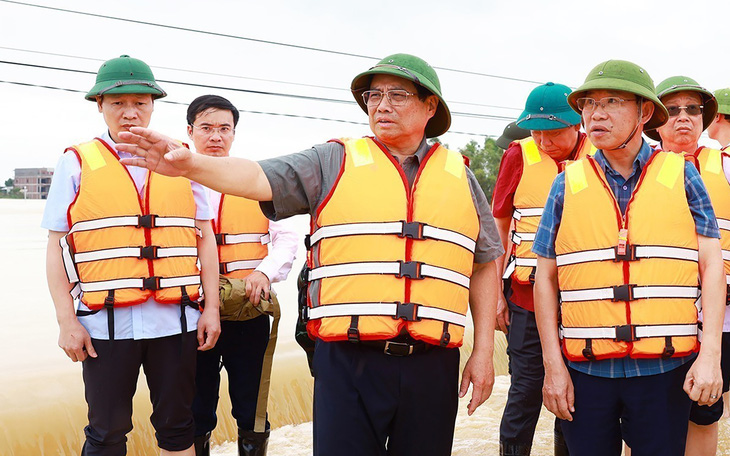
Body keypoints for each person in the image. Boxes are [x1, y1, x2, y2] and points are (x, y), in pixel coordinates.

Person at [115, 52, 504, 456]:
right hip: (348, 360)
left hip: (433, 363)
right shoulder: (331, 160)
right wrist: (190, 164)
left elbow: (483, 263)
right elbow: (255, 176)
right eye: (373, 95)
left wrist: (482, 355)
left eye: (398, 94)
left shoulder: (460, 176)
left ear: (430, 106)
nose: (382, 104)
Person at [531, 60, 725, 456]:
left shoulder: (683, 175)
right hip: (585, 371)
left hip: (663, 370)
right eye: (588, 103)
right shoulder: (565, 183)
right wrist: (553, 366)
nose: (595, 113)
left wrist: (710, 357)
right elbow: (545, 280)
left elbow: (712, 268)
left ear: (645, 112)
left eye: (612, 101)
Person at [42, 55, 221, 456]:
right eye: (118, 103)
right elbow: (56, 246)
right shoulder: (76, 161)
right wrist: (65, 321)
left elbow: (205, 238)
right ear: (100, 105)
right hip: (104, 325)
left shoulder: (181, 159)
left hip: (176, 320)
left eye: (140, 102)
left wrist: (210, 310)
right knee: (106, 431)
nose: (130, 113)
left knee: (179, 428)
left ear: (154, 105)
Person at [185, 95, 298, 456]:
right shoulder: (174, 182)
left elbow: (287, 238)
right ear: (190, 131)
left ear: (234, 133)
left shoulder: (258, 182)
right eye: (206, 128)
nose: (215, 136)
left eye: (224, 129)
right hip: (193, 309)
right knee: (196, 403)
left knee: (251, 403)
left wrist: (265, 272)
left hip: (249, 308)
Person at [492, 82, 593, 456]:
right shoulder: (518, 156)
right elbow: (498, 227)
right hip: (526, 298)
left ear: (576, 125)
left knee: (577, 395)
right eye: (535, 132)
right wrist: (496, 298)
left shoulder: (602, 154)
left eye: (552, 133)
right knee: (526, 389)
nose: (543, 141)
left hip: (585, 301)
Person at [644, 76, 727, 456]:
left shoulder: (723, 165)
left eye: (692, 109)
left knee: (704, 411)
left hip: (716, 315)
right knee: (643, 416)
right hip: (653, 314)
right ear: (654, 119)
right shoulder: (635, 170)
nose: (683, 117)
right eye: (673, 110)